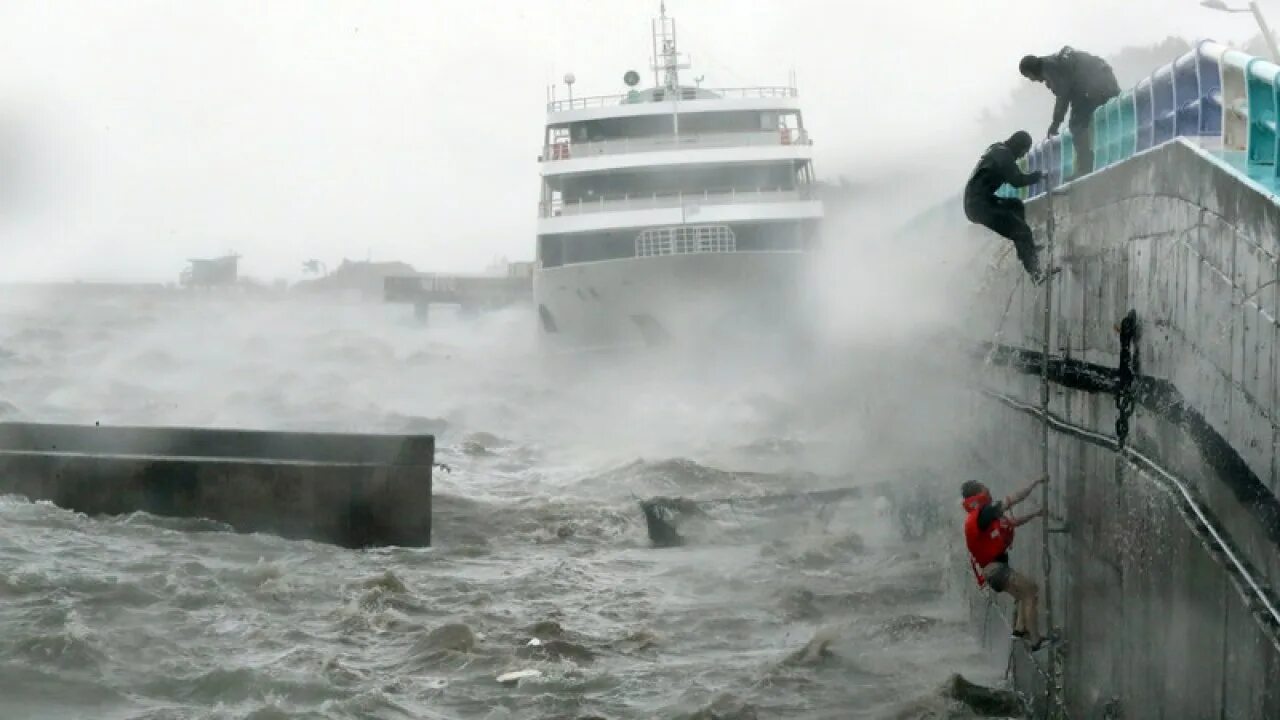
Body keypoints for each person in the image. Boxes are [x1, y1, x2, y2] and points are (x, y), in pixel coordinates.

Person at [961, 476, 1049, 650]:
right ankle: (1036, 640)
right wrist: (1035, 482)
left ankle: (1019, 631)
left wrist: (1035, 514)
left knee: (1023, 595)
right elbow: (1013, 499)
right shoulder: (983, 513)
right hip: (997, 570)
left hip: (992, 573)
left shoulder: (979, 518)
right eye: (984, 488)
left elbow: (1012, 523)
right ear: (977, 494)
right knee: (1031, 590)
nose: (988, 491)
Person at [1019, 47, 1120, 177]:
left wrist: (1055, 123)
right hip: (1104, 77)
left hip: (1094, 88)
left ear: (1031, 71)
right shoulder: (1055, 62)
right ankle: (1106, 156)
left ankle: (1085, 167)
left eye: (1028, 76)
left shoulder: (1049, 68)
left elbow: (1063, 95)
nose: (1032, 80)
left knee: (1076, 125)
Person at [963, 131, 1049, 283]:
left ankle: (1026, 249)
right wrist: (1038, 176)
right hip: (979, 205)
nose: (1022, 156)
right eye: (1023, 151)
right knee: (1021, 230)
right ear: (1017, 145)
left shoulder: (998, 149)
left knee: (1015, 205)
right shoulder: (1004, 155)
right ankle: (1036, 274)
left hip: (978, 201)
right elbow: (1017, 180)